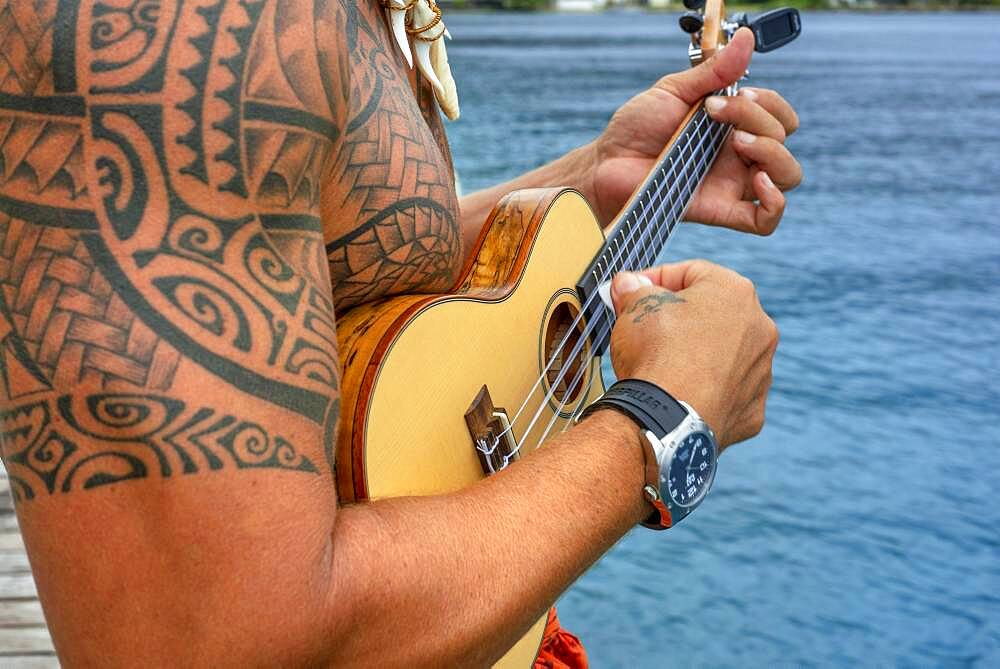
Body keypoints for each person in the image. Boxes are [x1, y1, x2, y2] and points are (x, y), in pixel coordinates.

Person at [0, 2, 800, 665]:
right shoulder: (195, 27)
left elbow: (309, 249)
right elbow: (219, 640)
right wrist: (663, 420)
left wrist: (589, 176)